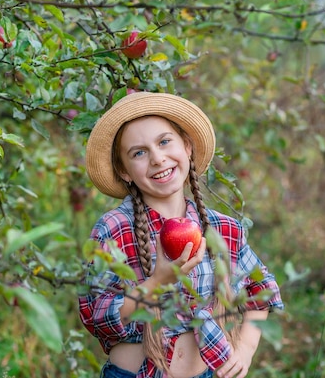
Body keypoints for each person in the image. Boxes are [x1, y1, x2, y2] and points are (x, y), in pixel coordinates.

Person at [78, 92, 284, 378]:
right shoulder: (114, 229)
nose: (158, 158)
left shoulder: (221, 228)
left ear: (186, 146)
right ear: (124, 171)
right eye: (139, 152)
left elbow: (260, 289)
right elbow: (95, 315)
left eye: (164, 142)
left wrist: (245, 348)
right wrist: (158, 282)